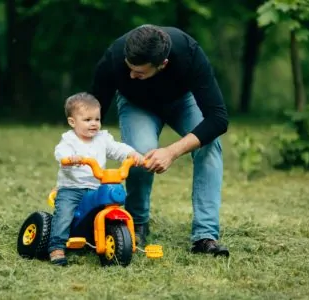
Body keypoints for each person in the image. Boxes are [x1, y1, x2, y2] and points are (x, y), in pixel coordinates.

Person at [90, 24, 229, 257]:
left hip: (182, 101)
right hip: (137, 105)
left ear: (162, 65)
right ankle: (138, 223)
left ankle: (205, 236)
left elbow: (218, 118)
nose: (131, 75)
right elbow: (92, 114)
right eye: (129, 68)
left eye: (139, 72)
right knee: (141, 152)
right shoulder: (115, 56)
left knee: (209, 145)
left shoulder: (189, 53)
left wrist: (172, 151)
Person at [48, 92, 144, 266]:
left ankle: (102, 236)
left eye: (97, 119)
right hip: (72, 188)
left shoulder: (102, 138)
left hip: (95, 187)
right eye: (87, 120)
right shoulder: (69, 140)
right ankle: (57, 247)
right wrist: (70, 158)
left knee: (100, 211)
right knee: (64, 214)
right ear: (72, 122)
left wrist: (132, 154)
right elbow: (60, 152)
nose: (94, 124)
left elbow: (117, 149)